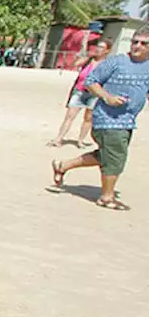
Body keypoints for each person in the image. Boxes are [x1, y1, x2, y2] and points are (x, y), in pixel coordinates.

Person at [50, 27, 149, 210]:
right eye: (135, 41)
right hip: (107, 118)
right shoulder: (116, 62)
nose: (137, 46)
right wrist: (107, 97)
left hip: (128, 120)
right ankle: (107, 197)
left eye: (144, 43)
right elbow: (90, 81)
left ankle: (63, 165)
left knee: (106, 155)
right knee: (116, 156)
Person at [48, 38, 110, 148]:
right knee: (70, 116)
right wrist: (88, 55)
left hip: (95, 93)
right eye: (98, 46)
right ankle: (59, 138)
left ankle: (80, 140)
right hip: (80, 90)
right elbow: (75, 64)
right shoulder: (89, 60)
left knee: (88, 118)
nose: (98, 49)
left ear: (107, 50)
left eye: (101, 47)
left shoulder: (107, 64)